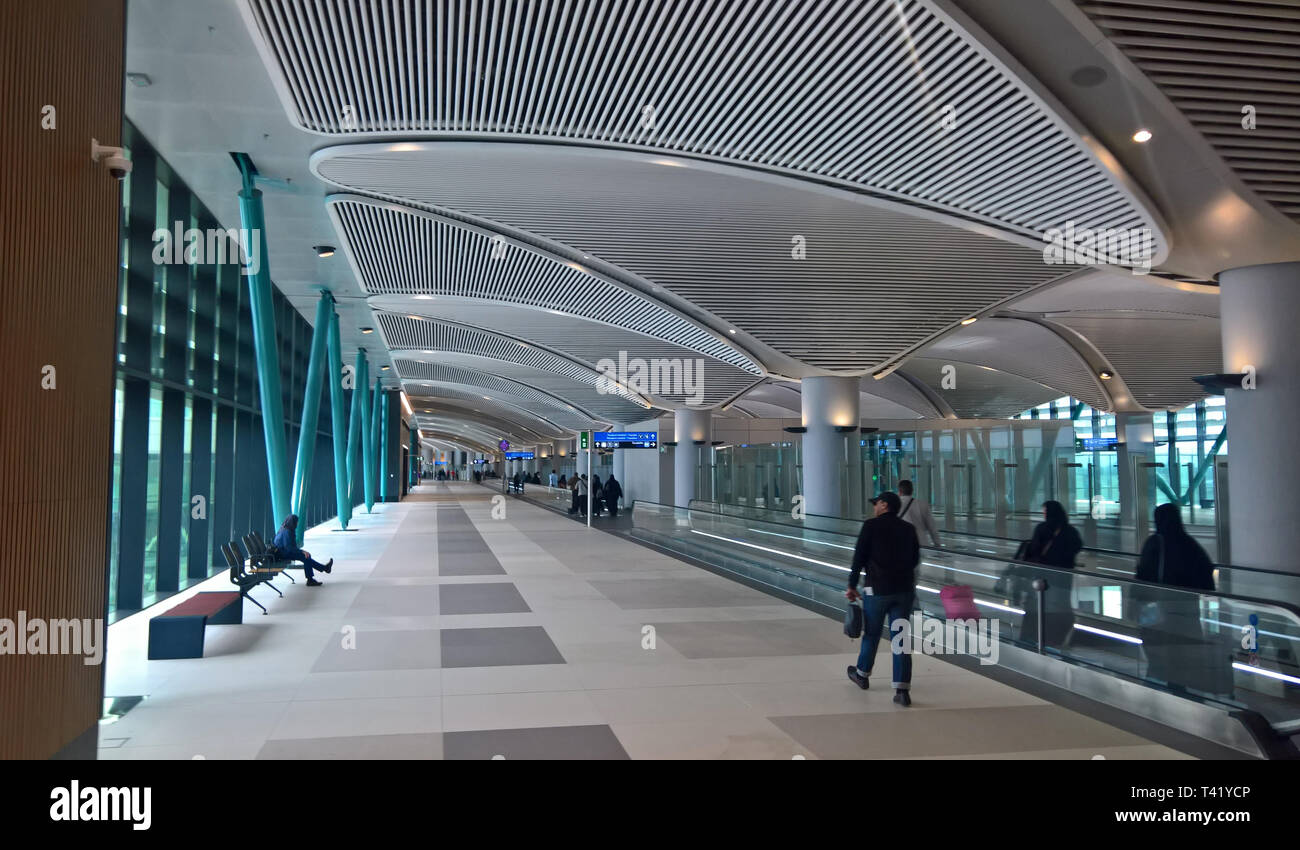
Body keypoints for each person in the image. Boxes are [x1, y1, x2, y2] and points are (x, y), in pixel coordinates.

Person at [1134, 503, 1225, 694]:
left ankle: (1150, 698)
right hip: (1186, 618)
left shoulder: (1154, 544)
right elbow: (1207, 584)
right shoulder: (1190, 545)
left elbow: (1142, 579)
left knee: (1158, 661)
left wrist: (1135, 607)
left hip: (1157, 617)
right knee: (1183, 662)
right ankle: (1182, 695)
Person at [845, 492, 920, 706]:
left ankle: (862, 674)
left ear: (884, 505)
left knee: (872, 634)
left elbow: (858, 558)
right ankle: (902, 690)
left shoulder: (871, 526)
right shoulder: (909, 529)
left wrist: (852, 585)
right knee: (901, 639)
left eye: (876, 503)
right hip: (904, 591)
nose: (874, 506)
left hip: (877, 590)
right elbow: (915, 559)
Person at [1011, 500, 1082, 648]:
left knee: (1036, 608)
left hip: (1042, 578)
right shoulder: (1071, 531)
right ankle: (1054, 642)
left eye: (1044, 512)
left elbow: (1034, 551)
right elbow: (1077, 547)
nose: (1043, 515)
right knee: (1059, 607)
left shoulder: (1042, 529)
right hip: (1063, 579)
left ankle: (1031, 641)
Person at [270, 514, 333, 587]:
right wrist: (302, 551)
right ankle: (317, 575)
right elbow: (289, 548)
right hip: (282, 554)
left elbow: (290, 547)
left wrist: (301, 551)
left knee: (306, 557)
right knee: (306, 557)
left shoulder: (285, 528)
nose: (297, 524)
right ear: (292, 522)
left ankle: (321, 571)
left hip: (282, 552)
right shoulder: (287, 532)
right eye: (296, 522)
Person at [897, 479, 940, 547]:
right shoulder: (923, 504)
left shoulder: (895, 505)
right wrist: (937, 544)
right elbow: (932, 527)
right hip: (921, 544)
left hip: (902, 544)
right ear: (912, 491)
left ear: (899, 491)